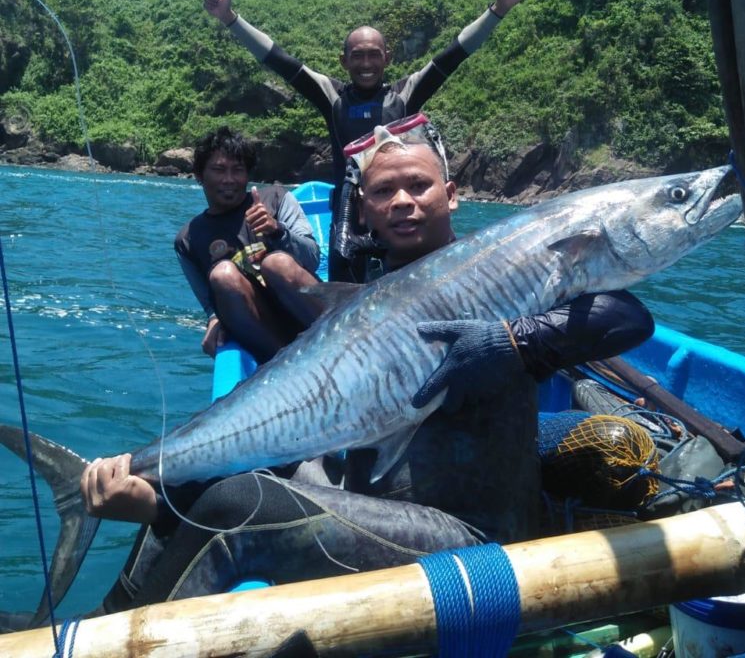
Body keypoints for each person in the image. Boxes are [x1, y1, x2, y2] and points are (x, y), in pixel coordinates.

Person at [79, 119, 654, 616]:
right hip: (371, 504)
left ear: (451, 195)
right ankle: (95, 620)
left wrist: (512, 341)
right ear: (363, 208)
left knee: (240, 507)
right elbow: (305, 435)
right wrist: (157, 500)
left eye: (419, 186)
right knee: (216, 488)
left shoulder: (509, 275)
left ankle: (108, 638)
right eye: (384, 191)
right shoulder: (365, 302)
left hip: (466, 536)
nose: (403, 201)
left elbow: (626, 317)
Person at [203, 0, 525, 281]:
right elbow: (277, 58)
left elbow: (454, 54)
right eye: (357, 56)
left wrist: (498, 10)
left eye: (374, 55)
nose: (366, 64)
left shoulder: (405, 94)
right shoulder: (333, 97)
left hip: (396, 212)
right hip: (349, 217)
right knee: (346, 292)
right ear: (344, 61)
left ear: (387, 58)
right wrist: (231, 19)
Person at [175, 126, 320, 362]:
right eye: (219, 170)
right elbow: (209, 303)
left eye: (238, 170)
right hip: (263, 328)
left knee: (277, 264)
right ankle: (284, 363)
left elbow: (312, 259)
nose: (229, 180)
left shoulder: (276, 199)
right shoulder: (188, 240)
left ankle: (348, 339)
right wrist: (213, 319)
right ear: (200, 175)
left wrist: (277, 231)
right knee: (222, 275)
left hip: (308, 309)